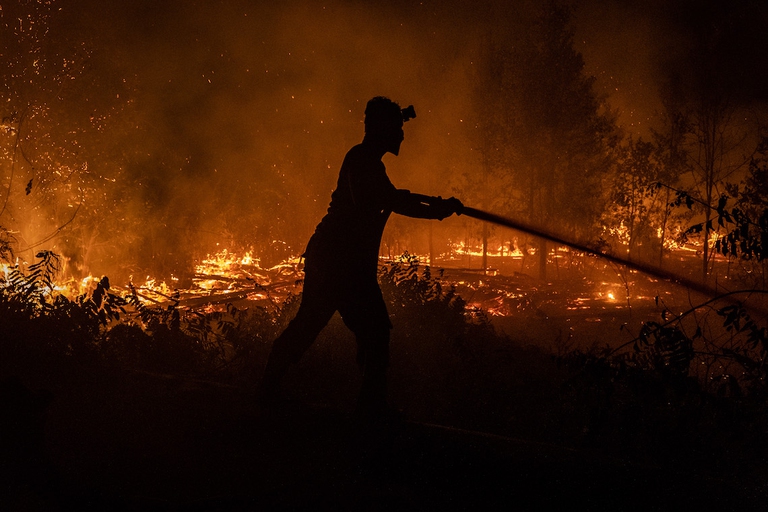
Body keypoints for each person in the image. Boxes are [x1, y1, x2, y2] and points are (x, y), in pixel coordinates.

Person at [258, 96, 463, 419]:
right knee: (356, 328)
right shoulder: (361, 160)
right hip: (337, 262)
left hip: (344, 262)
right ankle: (367, 407)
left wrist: (437, 207)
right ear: (382, 129)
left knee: (361, 329)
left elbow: (393, 198)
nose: (402, 135)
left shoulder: (369, 163)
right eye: (397, 127)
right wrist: (436, 209)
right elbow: (388, 199)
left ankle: (362, 404)